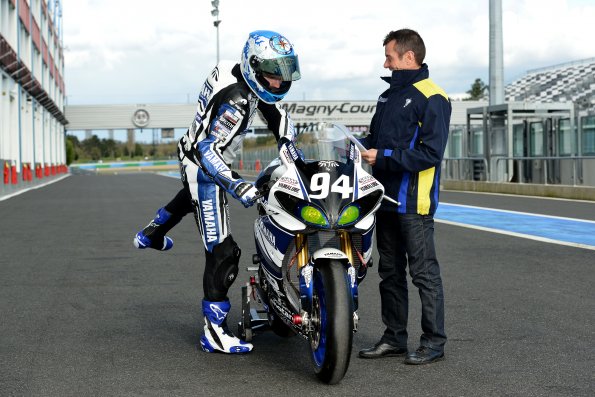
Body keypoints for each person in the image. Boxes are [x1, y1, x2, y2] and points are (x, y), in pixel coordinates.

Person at [133, 30, 301, 354]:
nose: (278, 83)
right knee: (223, 252)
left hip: (191, 149)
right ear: (252, 67)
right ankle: (214, 332)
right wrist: (237, 184)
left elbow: (276, 114)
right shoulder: (237, 101)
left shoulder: (233, 69)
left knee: (191, 199)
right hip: (203, 164)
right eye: (272, 74)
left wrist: (289, 149)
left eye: (282, 74)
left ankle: (152, 233)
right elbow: (208, 151)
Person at [358, 29, 451, 365]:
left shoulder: (433, 96)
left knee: (424, 274)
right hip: (384, 200)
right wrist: (357, 146)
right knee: (390, 273)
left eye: (390, 57)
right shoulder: (388, 96)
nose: (386, 63)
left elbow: (431, 154)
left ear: (408, 57)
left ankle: (434, 342)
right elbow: (374, 137)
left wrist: (381, 157)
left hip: (414, 202)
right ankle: (394, 337)